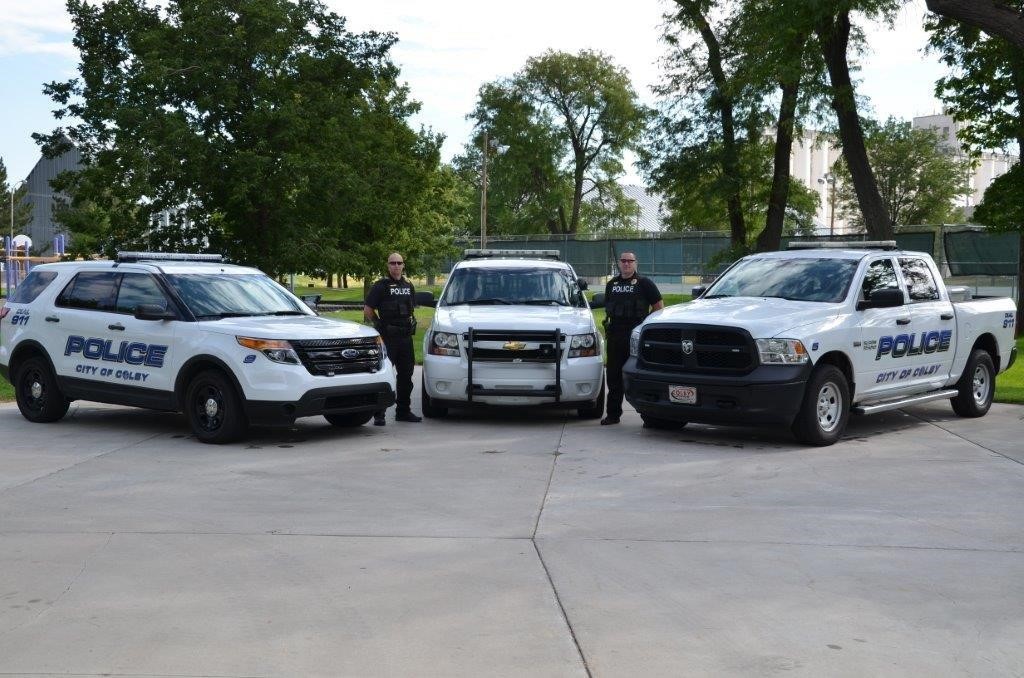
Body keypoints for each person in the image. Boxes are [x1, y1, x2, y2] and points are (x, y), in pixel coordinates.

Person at [601, 250, 663, 425]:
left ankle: (649, 416)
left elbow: (659, 307)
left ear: (636, 263)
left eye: (630, 261)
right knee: (613, 377)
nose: (626, 264)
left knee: (641, 376)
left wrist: (644, 326)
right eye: (623, 261)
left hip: (636, 336)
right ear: (619, 263)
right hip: (615, 336)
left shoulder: (644, 283)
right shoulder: (611, 284)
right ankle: (613, 415)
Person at [364, 253, 421, 425]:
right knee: (385, 374)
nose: (396, 266)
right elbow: (368, 309)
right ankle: (379, 414)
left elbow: (410, 309)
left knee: (406, 376)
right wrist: (379, 325)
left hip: (405, 338)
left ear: (403, 265)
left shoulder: (408, 285)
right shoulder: (380, 286)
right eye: (393, 263)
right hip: (388, 338)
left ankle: (403, 411)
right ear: (388, 266)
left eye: (399, 263)